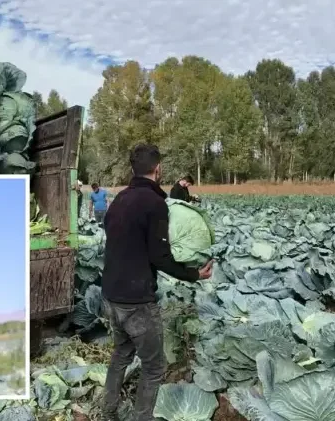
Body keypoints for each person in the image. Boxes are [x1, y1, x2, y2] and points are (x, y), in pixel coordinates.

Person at [100, 143, 214, 421]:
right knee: (154, 367)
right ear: (159, 169)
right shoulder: (155, 204)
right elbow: (161, 258)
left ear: (132, 169)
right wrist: (194, 275)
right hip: (137, 300)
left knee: (120, 355)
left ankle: (108, 412)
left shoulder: (118, 200)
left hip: (112, 296)